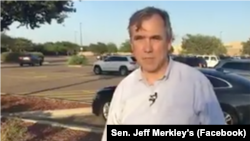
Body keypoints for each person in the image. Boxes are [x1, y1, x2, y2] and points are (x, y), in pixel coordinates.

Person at [101, 6, 225, 141]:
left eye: (155, 38)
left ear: (168, 42)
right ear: (132, 44)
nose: (147, 48)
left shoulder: (195, 83)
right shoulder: (124, 89)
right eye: (139, 38)